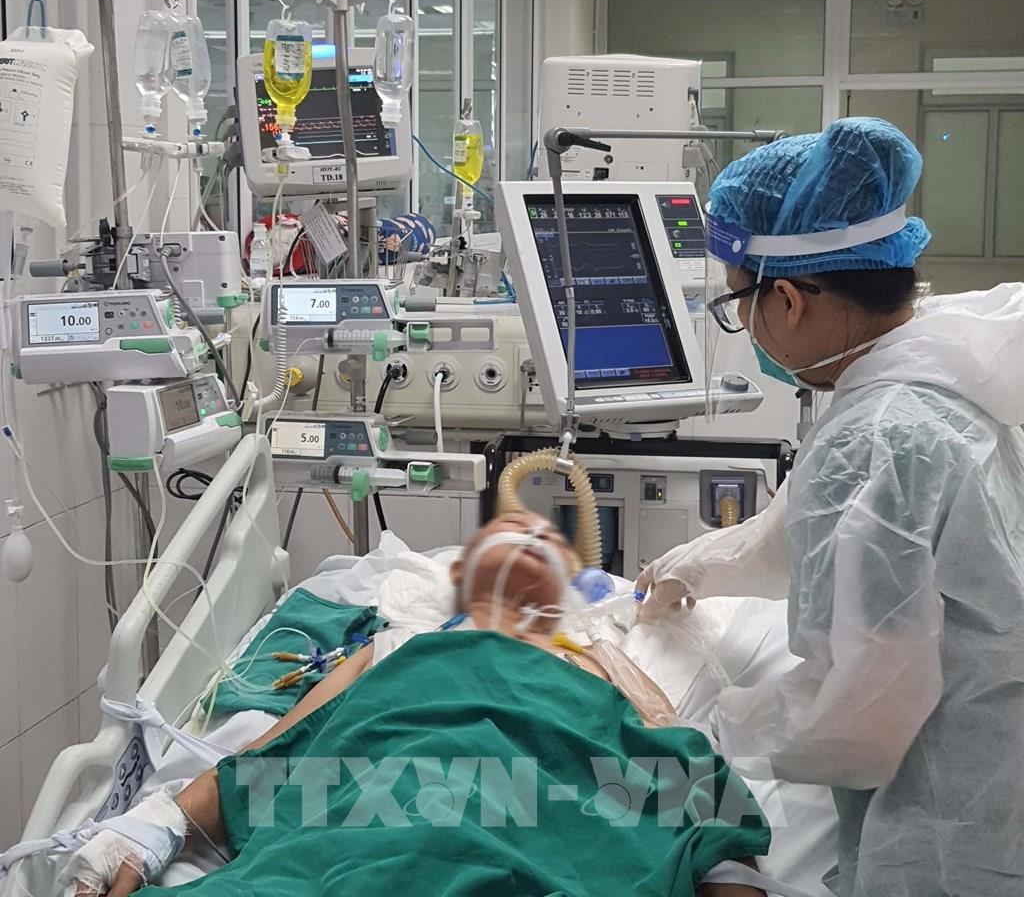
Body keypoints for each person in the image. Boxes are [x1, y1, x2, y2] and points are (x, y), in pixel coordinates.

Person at [639, 117, 1024, 897]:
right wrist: (697, 566)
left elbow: (861, 718)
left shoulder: (878, 439)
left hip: (952, 827)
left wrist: (704, 733)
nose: (744, 325)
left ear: (787, 299)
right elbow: (813, 537)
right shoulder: (934, 375)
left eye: (737, 304)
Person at [70, 512, 771, 897]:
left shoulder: (591, 655)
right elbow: (275, 755)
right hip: (376, 813)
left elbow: (675, 755)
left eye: (541, 549)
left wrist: (726, 871)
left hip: (543, 817)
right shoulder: (399, 645)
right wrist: (153, 827)